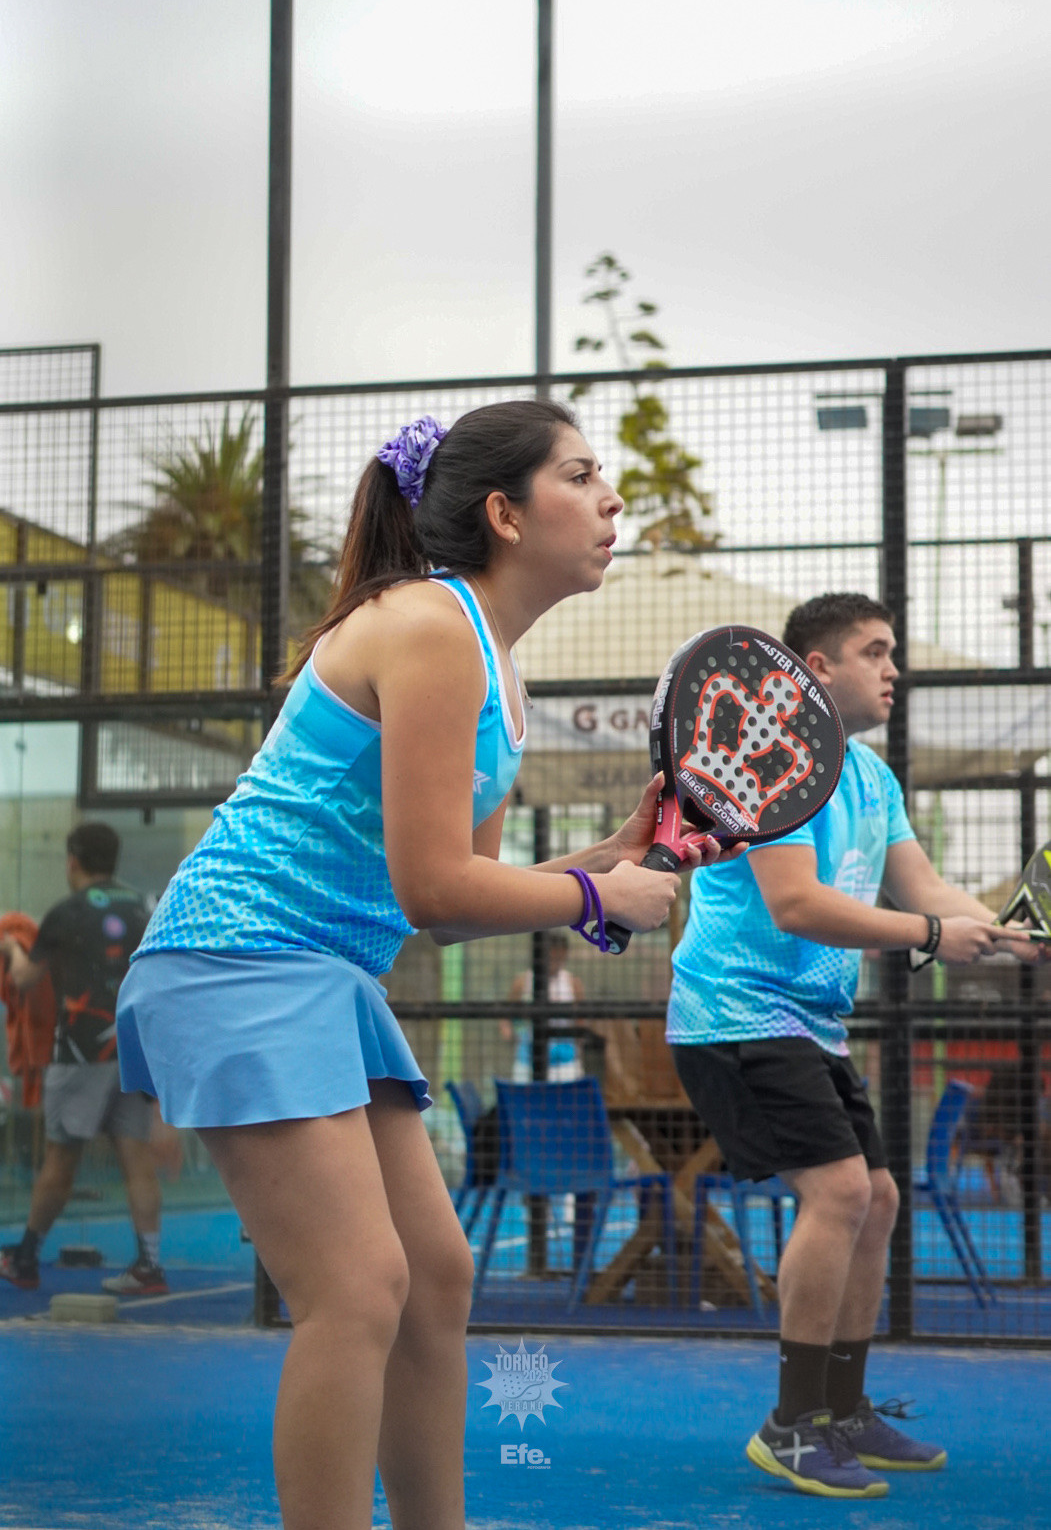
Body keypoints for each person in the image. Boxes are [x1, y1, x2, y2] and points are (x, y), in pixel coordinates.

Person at [113, 401, 737, 1530]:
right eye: (580, 475)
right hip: (234, 958)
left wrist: (608, 855)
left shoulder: (498, 671)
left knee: (433, 1275)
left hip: (320, 975)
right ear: (505, 513)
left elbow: (461, 893)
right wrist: (600, 897)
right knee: (357, 1291)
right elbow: (433, 892)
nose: (610, 499)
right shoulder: (431, 626)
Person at [667, 592, 1045, 1501]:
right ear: (816, 668)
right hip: (735, 1012)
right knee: (839, 1190)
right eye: (873, 651)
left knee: (876, 1201)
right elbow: (795, 904)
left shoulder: (872, 778)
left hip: (808, 1022)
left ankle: (840, 1408)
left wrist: (1005, 934)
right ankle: (791, 1423)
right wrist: (928, 935)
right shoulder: (768, 761)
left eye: (891, 651)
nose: (892, 669)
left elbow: (925, 887)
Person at [0, 822, 167, 1296]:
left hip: (79, 1054)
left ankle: (25, 1258)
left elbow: (25, 979)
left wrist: (11, 947)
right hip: (133, 1052)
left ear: (72, 860)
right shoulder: (144, 907)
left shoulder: (65, 912)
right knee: (137, 1159)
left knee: (60, 1160)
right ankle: (150, 1266)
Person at [504, 931, 585, 1081]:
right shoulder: (522, 981)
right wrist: (508, 1031)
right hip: (528, 1057)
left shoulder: (572, 982)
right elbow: (507, 1012)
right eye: (552, 957)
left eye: (559, 958)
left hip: (564, 1058)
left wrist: (578, 1042)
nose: (555, 962)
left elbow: (580, 1018)